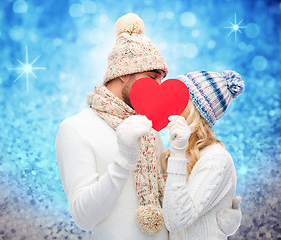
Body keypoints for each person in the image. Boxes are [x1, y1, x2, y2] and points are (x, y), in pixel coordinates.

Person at [55, 13, 241, 239]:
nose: (158, 88)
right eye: (153, 77)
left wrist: (218, 222)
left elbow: (175, 200)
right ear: (124, 74)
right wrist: (123, 161)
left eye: (162, 79)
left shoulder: (149, 131)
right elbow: (84, 218)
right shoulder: (76, 128)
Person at [161, 70, 244, 239]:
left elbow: (176, 221)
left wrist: (177, 153)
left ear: (195, 110)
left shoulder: (216, 159)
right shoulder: (182, 152)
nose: (170, 102)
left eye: (179, 98)